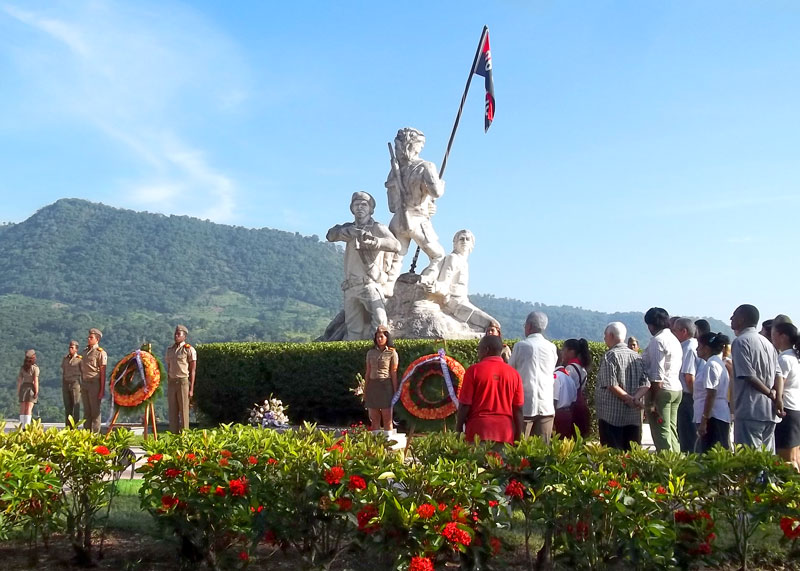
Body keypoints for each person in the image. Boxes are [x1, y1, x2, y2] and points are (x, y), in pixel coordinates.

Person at [327, 191, 401, 340]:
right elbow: (330, 235)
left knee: (380, 322)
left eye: (364, 205)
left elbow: (396, 245)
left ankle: (375, 353)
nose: (360, 207)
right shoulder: (348, 228)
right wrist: (346, 232)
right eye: (356, 204)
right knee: (353, 329)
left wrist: (376, 242)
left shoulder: (377, 228)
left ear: (371, 209)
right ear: (352, 208)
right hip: (351, 287)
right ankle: (354, 359)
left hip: (370, 284)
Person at [384, 127, 446, 292]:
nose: (420, 149)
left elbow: (391, 206)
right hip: (418, 219)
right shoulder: (426, 166)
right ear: (411, 145)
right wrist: (440, 185)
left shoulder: (394, 172)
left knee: (395, 259)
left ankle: (387, 289)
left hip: (397, 220)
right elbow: (437, 192)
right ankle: (426, 282)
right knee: (438, 256)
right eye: (420, 145)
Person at [730, 304, 783, 450]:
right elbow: (778, 374)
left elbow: (748, 375)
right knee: (766, 460)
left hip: (750, 410)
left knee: (749, 461)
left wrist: (770, 394)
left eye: (734, 316)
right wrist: (777, 397)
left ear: (741, 319)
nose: (731, 319)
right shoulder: (767, 343)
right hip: (769, 412)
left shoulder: (741, 342)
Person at [457, 335, 524, 444]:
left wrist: (458, 430)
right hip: (505, 433)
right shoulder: (514, 374)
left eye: (479, 349)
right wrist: (518, 438)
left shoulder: (473, 371)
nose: (478, 353)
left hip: (478, 432)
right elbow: (518, 409)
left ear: (486, 350)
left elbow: (465, 405)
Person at [423, 229, 496, 330]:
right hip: (453, 302)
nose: (464, 241)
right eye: (461, 239)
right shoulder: (452, 259)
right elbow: (444, 282)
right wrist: (435, 288)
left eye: (467, 239)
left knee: (493, 325)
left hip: (463, 301)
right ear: (455, 243)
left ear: (472, 245)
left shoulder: (464, 262)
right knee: (492, 324)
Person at [595, 322, 650, 450]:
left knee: (612, 454)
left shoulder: (610, 356)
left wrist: (628, 398)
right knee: (631, 454)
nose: (604, 338)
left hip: (611, 415)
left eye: (605, 335)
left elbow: (611, 384)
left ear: (611, 335)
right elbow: (646, 383)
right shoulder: (636, 356)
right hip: (633, 416)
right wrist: (635, 398)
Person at [508, 311, 558, 442]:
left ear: (529, 326)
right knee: (542, 451)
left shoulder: (521, 346)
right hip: (546, 405)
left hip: (525, 406)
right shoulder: (551, 347)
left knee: (520, 449)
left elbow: (510, 371)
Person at [642, 307, 683, 452]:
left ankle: (667, 467)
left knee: (661, 433)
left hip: (662, 390)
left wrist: (653, 401)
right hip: (676, 388)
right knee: (671, 430)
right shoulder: (674, 339)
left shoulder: (657, 341)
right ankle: (679, 463)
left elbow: (657, 373)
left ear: (651, 325)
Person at [694, 332, 732, 452]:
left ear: (706, 348)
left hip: (713, 416)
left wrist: (704, 420)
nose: (697, 349)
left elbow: (711, 394)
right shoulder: (716, 363)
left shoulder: (711, 365)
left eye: (699, 346)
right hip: (717, 413)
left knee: (710, 451)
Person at [772, 322, 799, 469]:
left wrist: (777, 400)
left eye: (774, 334)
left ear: (782, 336)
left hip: (786, 409)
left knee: (786, 460)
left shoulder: (784, 359)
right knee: (795, 456)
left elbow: (779, 383)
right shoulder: (796, 357)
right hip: (796, 409)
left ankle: (789, 491)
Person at [553, 338, 592, 439]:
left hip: (574, 407)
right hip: (581, 404)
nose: (562, 353)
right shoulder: (581, 367)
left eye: (563, 350)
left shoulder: (570, 368)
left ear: (571, 352)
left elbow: (566, 388)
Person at [673, 317, 700, 453]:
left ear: (684, 331)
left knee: (687, 436)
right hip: (689, 396)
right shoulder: (691, 345)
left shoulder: (688, 347)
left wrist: (695, 397)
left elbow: (689, 377)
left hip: (688, 397)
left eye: (675, 330)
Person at [364, 325, 399, 432]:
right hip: (373, 385)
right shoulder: (370, 353)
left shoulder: (392, 353)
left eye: (382, 337)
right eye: (377, 337)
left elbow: (393, 372)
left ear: (387, 338)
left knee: (387, 417)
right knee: (374, 418)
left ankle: (388, 444)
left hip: (385, 385)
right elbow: (368, 372)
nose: (379, 339)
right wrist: (365, 390)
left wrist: (395, 390)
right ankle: (376, 445)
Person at [165, 324, 197, 433]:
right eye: (175, 334)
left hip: (183, 382)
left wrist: (191, 389)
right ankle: (173, 436)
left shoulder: (188, 349)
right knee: (172, 412)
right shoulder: (170, 350)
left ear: (184, 336)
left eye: (179, 334)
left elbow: (192, 370)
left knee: (184, 411)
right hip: (172, 382)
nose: (176, 336)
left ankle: (185, 437)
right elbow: (169, 367)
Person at [80, 328, 107, 432]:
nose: (89, 339)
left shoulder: (100, 353)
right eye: (89, 337)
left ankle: (95, 435)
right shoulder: (85, 352)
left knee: (95, 412)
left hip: (94, 383)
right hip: (85, 383)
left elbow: (103, 373)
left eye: (91, 337)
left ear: (97, 339)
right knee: (87, 412)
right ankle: (86, 434)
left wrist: (101, 390)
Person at [61, 340, 83, 427]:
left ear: (76, 349)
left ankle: (75, 427)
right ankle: (68, 427)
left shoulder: (79, 360)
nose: (70, 349)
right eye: (69, 347)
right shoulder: (65, 359)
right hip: (66, 384)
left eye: (72, 347)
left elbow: (83, 372)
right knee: (67, 407)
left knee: (75, 407)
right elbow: (63, 371)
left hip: (75, 384)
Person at [17, 349, 39, 428]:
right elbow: (35, 381)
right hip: (31, 387)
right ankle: (27, 426)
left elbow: (19, 380)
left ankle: (22, 426)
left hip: (23, 387)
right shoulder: (35, 368)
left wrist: (18, 391)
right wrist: (36, 391)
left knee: (23, 407)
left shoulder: (23, 368)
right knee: (29, 408)